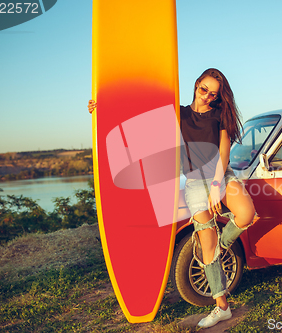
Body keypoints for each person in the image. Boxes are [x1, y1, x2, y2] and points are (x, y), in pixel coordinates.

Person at [88, 68, 256, 329]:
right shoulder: (178, 113)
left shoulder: (219, 114)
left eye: (213, 94)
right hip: (194, 183)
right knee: (207, 250)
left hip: (220, 176)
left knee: (246, 213)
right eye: (204, 90)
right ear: (196, 84)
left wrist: (216, 184)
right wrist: (102, 108)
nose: (207, 97)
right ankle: (222, 307)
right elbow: (136, 114)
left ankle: (221, 246)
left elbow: (224, 150)